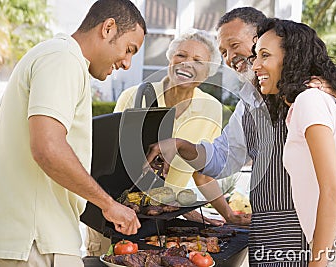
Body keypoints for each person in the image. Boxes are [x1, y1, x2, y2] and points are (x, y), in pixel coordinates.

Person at [145, 7, 336, 267]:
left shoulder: (313, 95)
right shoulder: (247, 105)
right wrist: (181, 145)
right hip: (271, 238)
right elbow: (221, 158)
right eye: (224, 52)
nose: (230, 58)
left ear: (263, 38)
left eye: (235, 46)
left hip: (316, 234)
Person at [0, 0, 146, 266]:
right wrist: (109, 204)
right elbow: (48, 147)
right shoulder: (63, 58)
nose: (127, 63)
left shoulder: (54, 56)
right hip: (38, 243)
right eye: (129, 49)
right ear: (108, 28)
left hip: (33, 240)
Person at [85, 29, 250, 256]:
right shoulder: (135, 97)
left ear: (209, 71)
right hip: (114, 214)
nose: (186, 64)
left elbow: (201, 173)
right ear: (170, 59)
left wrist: (228, 214)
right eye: (181, 56)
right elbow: (108, 161)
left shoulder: (210, 109)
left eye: (198, 60)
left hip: (161, 219)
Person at [251, 18, 336, 267]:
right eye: (255, 56)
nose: (255, 65)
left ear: (291, 58)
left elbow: (334, 191)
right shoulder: (323, 103)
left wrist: (318, 261)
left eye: (265, 55)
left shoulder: (309, 102)